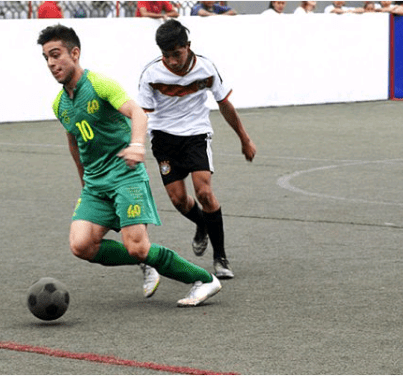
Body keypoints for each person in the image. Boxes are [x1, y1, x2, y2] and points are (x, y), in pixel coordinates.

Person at [37, 24, 221, 307]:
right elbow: (74, 142)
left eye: (56, 54)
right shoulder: (59, 104)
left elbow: (137, 112)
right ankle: (147, 262)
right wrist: (84, 180)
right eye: (46, 57)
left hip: (126, 176)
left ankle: (203, 280)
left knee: (137, 246)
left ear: (74, 53)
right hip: (96, 185)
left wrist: (137, 145)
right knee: (81, 245)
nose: (51, 63)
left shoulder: (99, 84)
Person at [137, 20, 256, 279]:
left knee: (203, 192)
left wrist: (244, 139)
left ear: (188, 47)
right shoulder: (151, 74)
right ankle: (202, 224)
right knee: (179, 200)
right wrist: (136, 145)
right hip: (164, 139)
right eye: (166, 56)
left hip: (196, 136)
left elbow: (224, 104)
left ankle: (220, 257)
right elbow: (142, 115)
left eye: (176, 54)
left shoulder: (206, 68)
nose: (172, 61)